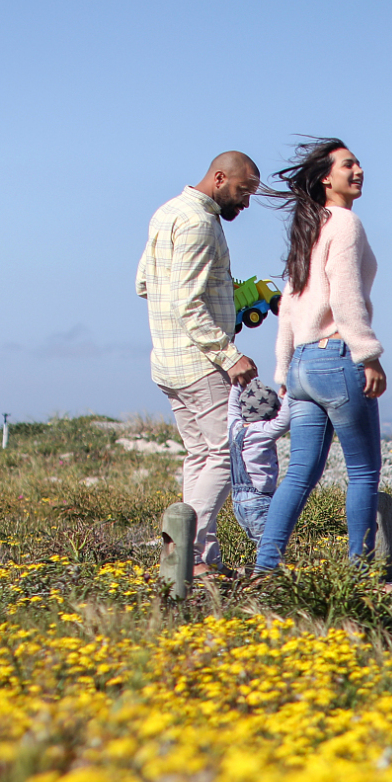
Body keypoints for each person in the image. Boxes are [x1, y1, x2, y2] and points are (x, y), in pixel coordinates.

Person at [251, 139, 386, 574]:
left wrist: (283, 369)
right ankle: (359, 572)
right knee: (363, 473)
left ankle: (266, 566)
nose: (359, 170)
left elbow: (288, 306)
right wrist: (368, 354)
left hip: (304, 366)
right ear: (327, 177)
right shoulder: (345, 223)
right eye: (348, 165)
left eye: (359, 163)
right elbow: (346, 296)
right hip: (337, 359)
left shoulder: (309, 228)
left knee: (299, 474)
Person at [136, 150, 261, 577]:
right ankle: (185, 556)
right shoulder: (199, 222)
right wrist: (229, 354)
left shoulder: (167, 212)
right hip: (201, 363)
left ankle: (198, 558)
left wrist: (223, 308)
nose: (245, 203)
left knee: (200, 456)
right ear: (220, 178)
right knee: (226, 456)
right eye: (243, 192)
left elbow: (143, 285)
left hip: (168, 359)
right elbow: (186, 303)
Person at [226, 383, 292, 544]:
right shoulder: (263, 431)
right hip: (259, 499)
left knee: (262, 544)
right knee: (270, 545)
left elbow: (232, 406)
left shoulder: (235, 427)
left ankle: (262, 568)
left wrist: (237, 384)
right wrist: (291, 390)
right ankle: (265, 570)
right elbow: (286, 419)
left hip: (238, 502)